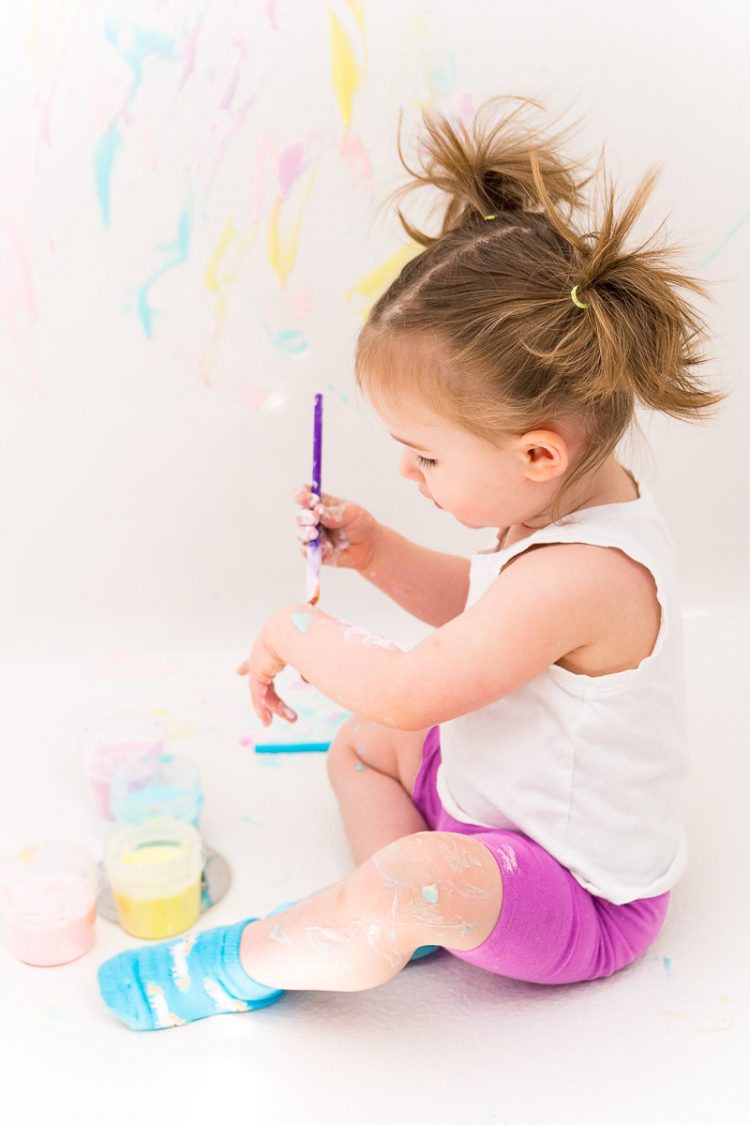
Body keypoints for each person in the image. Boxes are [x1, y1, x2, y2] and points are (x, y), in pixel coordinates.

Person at [97, 94, 725, 1030]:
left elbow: (415, 690)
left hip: (576, 892)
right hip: (491, 802)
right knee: (359, 746)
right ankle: (414, 919)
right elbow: (486, 617)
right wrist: (381, 553)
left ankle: (260, 955)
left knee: (410, 848)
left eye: (427, 456)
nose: (405, 470)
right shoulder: (570, 501)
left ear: (537, 454)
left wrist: (291, 627)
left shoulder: (582, 575)